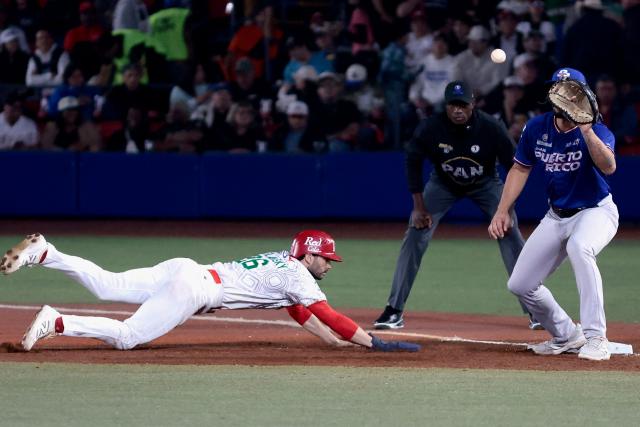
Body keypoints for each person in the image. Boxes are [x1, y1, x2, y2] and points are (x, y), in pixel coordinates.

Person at [1, 231, 421, 354]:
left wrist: (331, 343)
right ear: (310, 256)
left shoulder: (285, 263)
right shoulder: (299, 276)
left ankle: (48, 253)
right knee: (128, 337)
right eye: (327, 258)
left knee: (106, 283)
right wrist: (371, 341)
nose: (330, 264)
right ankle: (56, 321)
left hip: (187, 268)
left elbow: (298, 312)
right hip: (194, 288)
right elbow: (327, 315)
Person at [374, 80, 538, 330]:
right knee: (415, 234)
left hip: (485, 183)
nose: (458, 110)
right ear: (446, 105)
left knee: (509, 231)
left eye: (463, 105)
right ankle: (393, 310)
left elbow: (516, 166)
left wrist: (506, 209)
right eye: (453, 105)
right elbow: (413, 161)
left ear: (473, 105)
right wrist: (418, 207)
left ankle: (536, 310)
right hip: (443, 184)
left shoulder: (491, 127)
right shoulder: (431, 127)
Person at [488, 67, 618, 361]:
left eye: (571, 90)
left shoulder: (597, 130)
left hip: (595, 211)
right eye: (558, 89)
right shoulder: (537, 127)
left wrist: (586, 129)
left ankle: (597, 338)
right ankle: (567, 335)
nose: (563, 95)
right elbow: (520, 168)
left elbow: (608, 167)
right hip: (557, 215)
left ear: (584, 96)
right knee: (520, 284)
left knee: (580, 247)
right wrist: (502, 209)